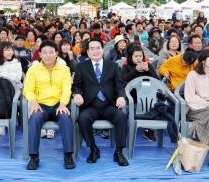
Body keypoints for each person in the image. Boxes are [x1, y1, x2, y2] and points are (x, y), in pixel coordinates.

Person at [72, 38, 129, 166]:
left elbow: (119, 85)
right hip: (90, 105)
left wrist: (121, 96)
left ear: (102, 50)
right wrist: (77, 94)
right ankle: (93, 149)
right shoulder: (81, 66)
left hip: (109, 105)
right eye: (92, 49)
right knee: (82, 119)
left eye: (98, 48)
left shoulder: (113, 66)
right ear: (87, 51)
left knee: (122, 117)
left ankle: (119, 151)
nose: (95, 51)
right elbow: (77, 86)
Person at [23, 40, 75, 170]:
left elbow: (67, 89)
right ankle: (34, 156)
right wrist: (33, 102)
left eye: (51, 52)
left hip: (59, 104)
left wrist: (63, 104)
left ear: (56, 53)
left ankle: (68, 155)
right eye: (45, 52)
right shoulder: (33, 70)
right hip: (41, 105)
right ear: (39, 54)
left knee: (65, 118)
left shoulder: (64, 69)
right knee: (34, 118)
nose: (48, 55)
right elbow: (28, 89)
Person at [121, 44, 159, 141]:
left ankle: (148, 129)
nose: (139, 58)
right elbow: (122, 81)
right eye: (136, 56)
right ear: (131, 56)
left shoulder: (148, 65)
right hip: (132, 95)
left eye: (140, 56)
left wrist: (148, 70)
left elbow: (157, 81)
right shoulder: (126, 66)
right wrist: (135, 70)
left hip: (148, 94)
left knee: (151, 98)